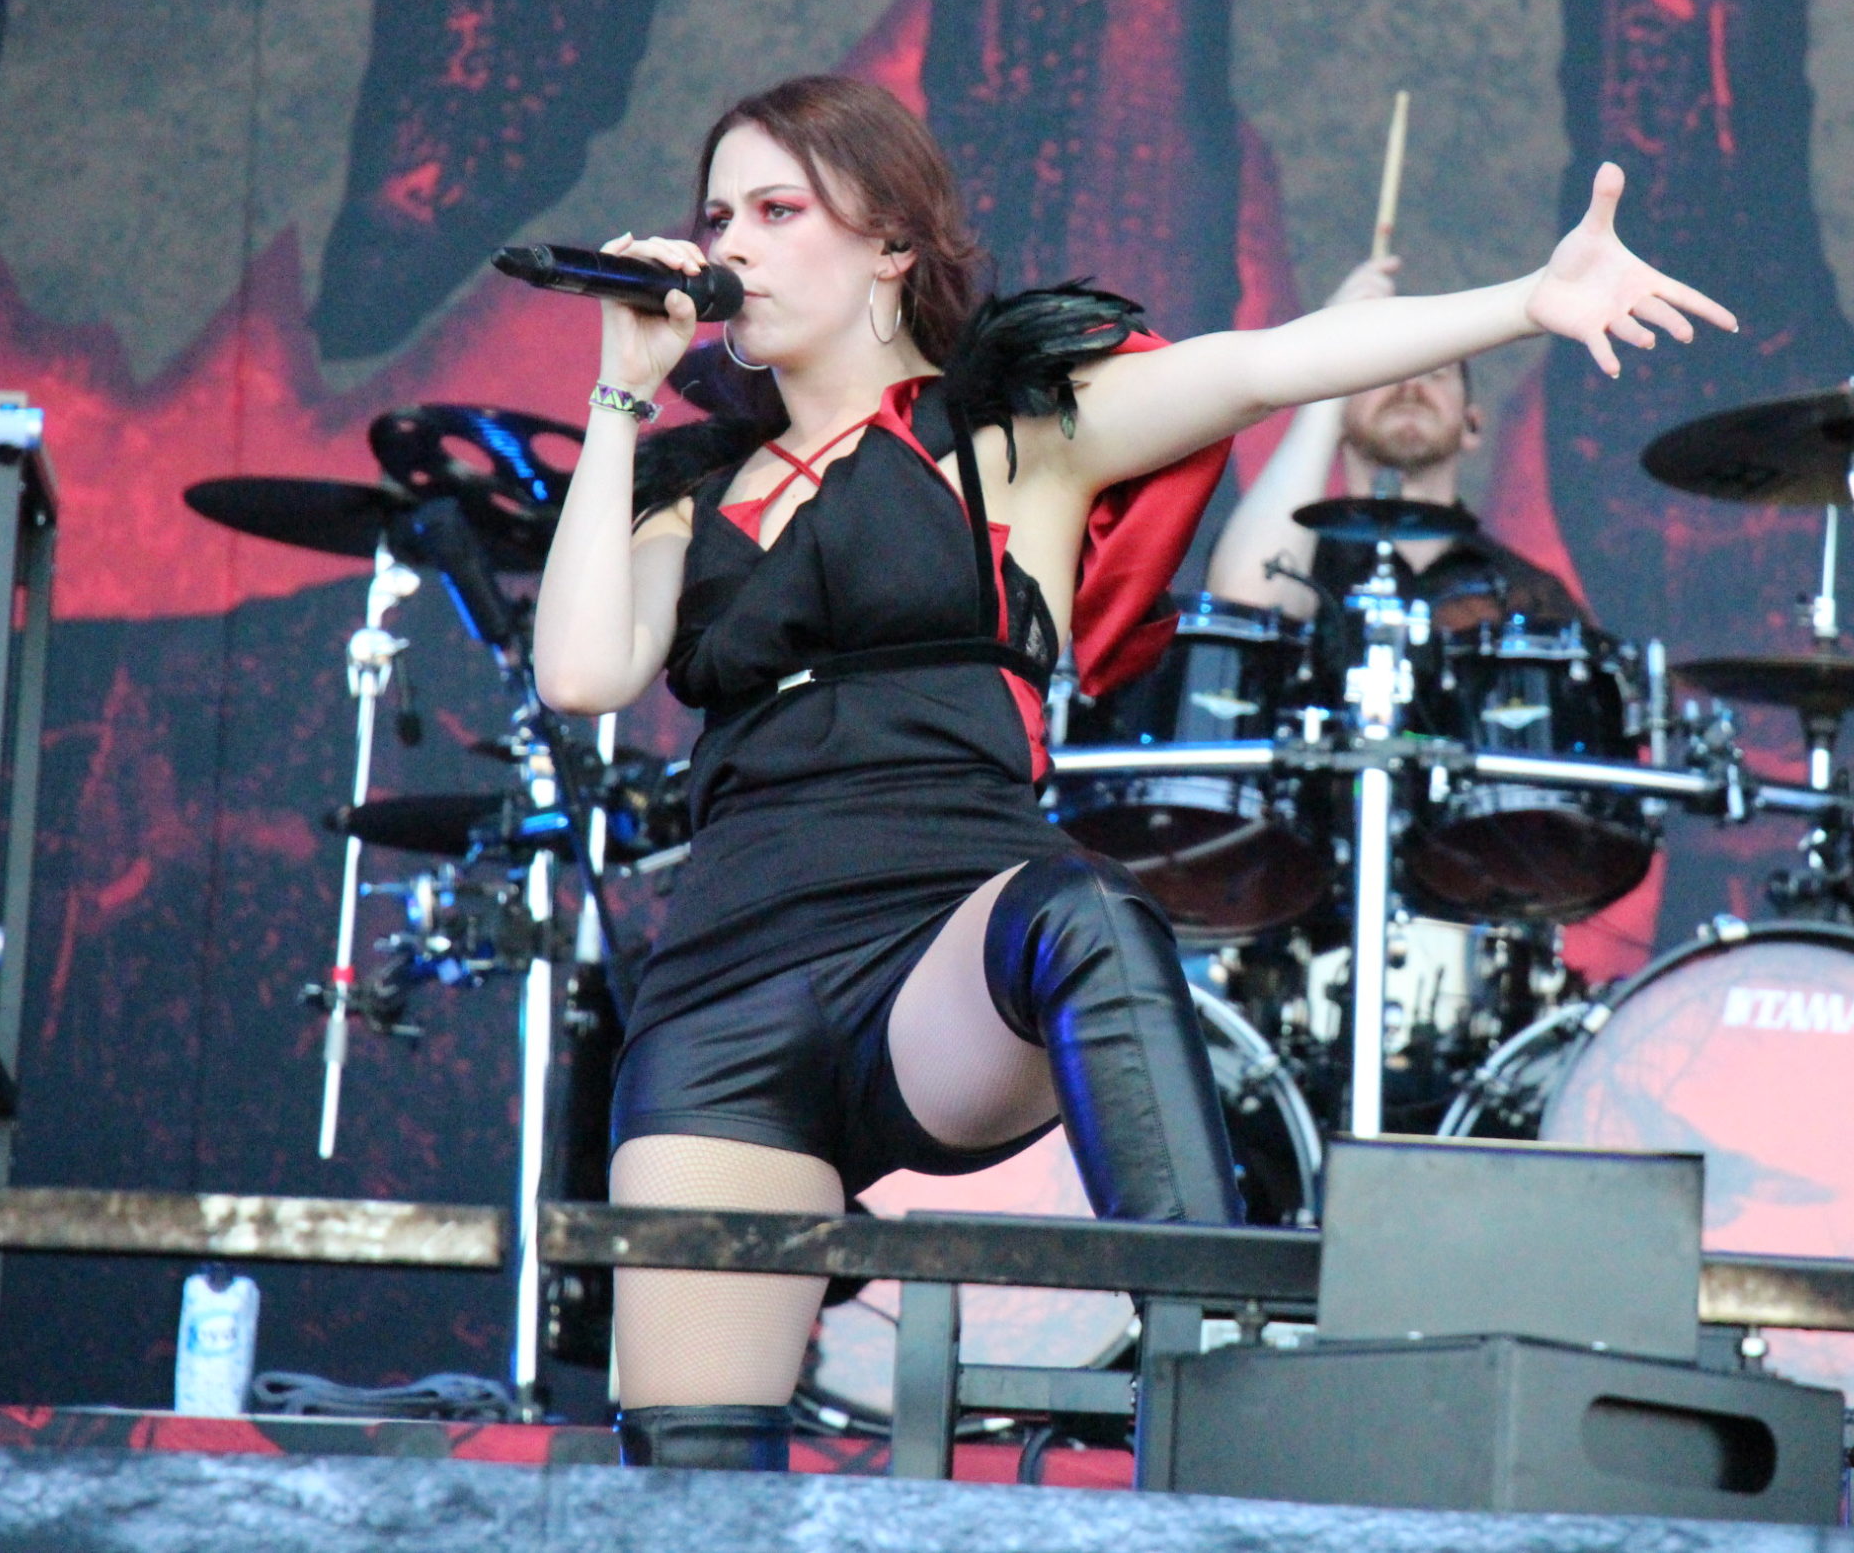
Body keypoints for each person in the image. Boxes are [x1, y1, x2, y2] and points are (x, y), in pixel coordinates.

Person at [532, 73, 1734, 1471]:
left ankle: (1215, 1362)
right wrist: (620, 390)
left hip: (940, 943)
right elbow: (582, 671)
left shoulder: (1017, 433)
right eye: (717, 215)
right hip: (727, 980)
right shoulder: (692, 487)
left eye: (776, 209)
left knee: (1088, 913)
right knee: (692, 1479)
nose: (731, 241)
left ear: (890, 243)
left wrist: (1528, 299)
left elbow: (1267, 364)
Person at [1204, 254, 1586, 634]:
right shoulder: (1297, 556)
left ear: (1471, 425)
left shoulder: (1529, 594)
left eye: (1435, 372)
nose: (1410, 385)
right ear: (1340, 416)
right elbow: (1244, 609)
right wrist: (1326, 359)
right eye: (1384, 371)